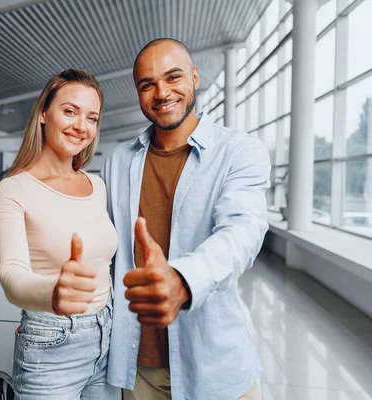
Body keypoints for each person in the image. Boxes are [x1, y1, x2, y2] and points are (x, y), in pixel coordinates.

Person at [101, 38, 271, 400]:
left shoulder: (239, 152)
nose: (161, 92)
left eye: (173, 77)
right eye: (147, 84)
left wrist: (183, 279)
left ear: (195, 77)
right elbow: (103, 254)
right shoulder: (117, 162)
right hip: (138, 368)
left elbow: (243, 231)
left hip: (214, 366)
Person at [0, 69, 121, 399]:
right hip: (52, 344)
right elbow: (11, 274)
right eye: (70, 111)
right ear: (44, 113)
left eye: (92, 117)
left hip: (108, 331)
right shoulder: (13, 189)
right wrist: (53, 292)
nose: (82, 126)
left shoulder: (98, 186)